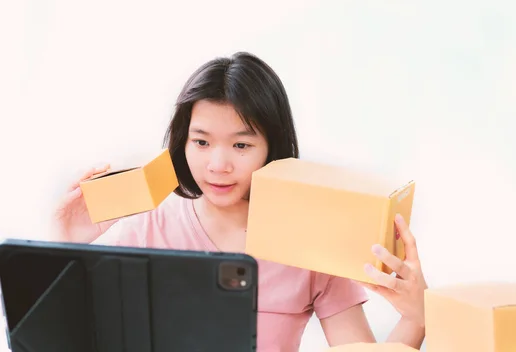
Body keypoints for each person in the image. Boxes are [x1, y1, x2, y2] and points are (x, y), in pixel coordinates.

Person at [51, 52, 429, 351]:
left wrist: (417, 316)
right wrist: (66, 244)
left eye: (241, 145)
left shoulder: (311, 243)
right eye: (201, 142)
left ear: (272, 148)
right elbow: (56, 336)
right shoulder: (147, 227)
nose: (218, 165)